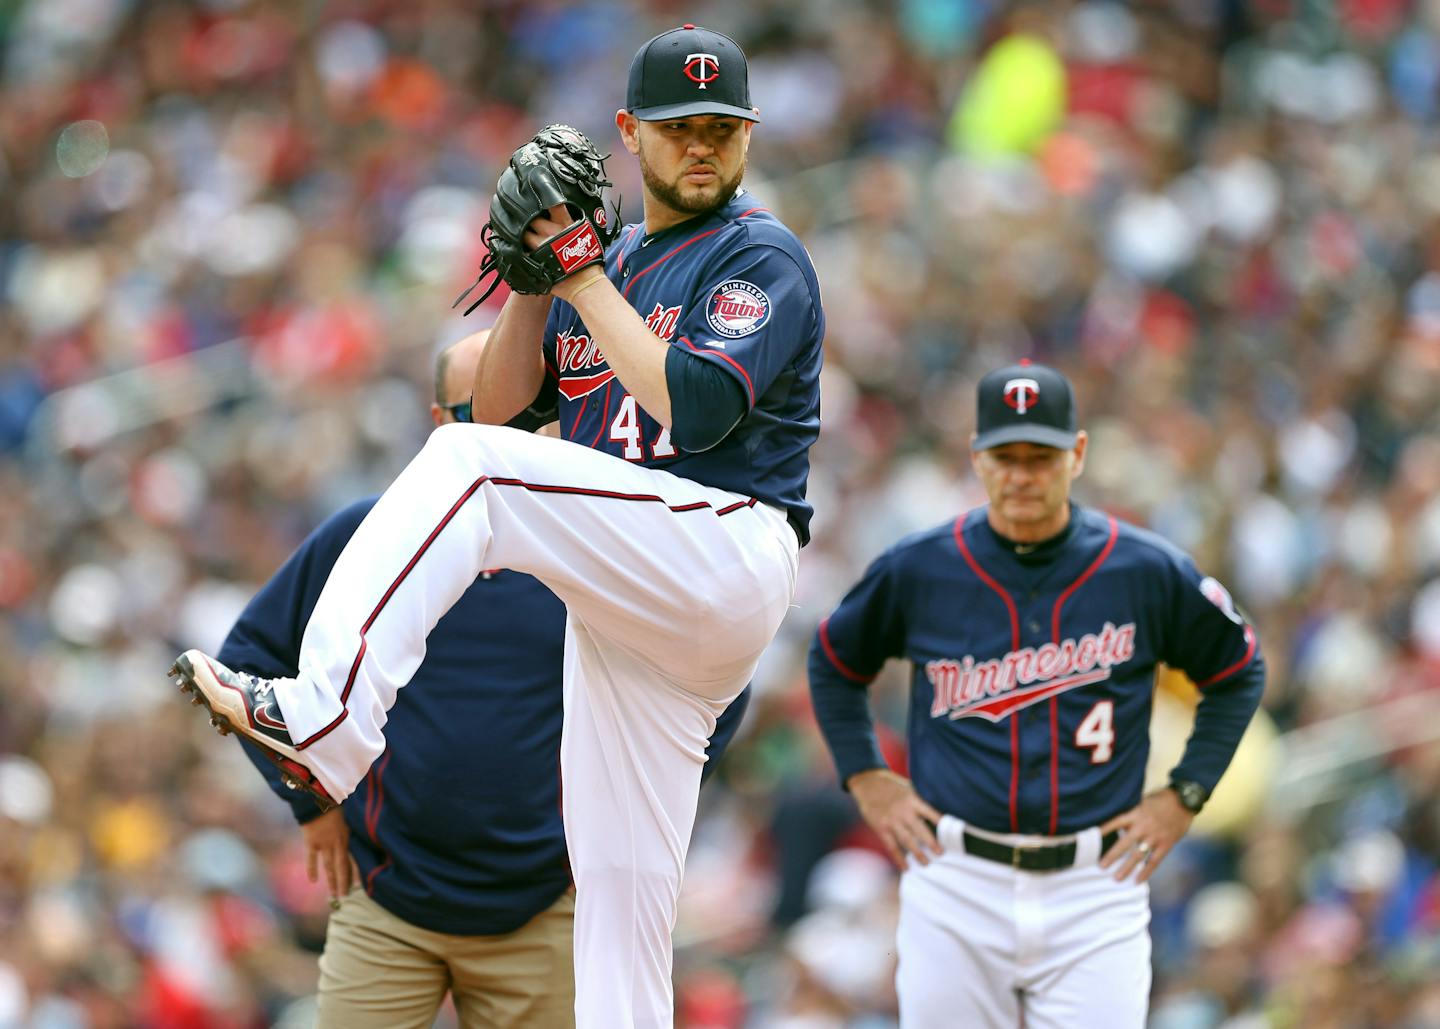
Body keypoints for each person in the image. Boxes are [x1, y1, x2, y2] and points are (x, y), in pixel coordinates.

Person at [170, 24, 824, 1029]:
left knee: (465, 472)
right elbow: (502, 412)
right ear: (630, 134)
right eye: (679, 126)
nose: (702, 145)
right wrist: (533, 282)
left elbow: (691, 406)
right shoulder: (604, 274)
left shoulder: (758, 254)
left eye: (722, 129)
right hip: (630, 608)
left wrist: (580, 270)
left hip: (722, 542)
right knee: (619, 920)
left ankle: (325, 717)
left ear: (748, 138)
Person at [213, 329, 750, 1028]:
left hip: (543, 907)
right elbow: (248, 658)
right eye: (478, 413)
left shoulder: (597, 543)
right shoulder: (366, 533)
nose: (500, 433)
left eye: (524, 411)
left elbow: (714, 679)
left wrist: (629, 808)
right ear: (440, 425)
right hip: (387, 897)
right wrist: (310, 799)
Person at [807, 360, 1265, 1028]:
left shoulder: (1144, 568)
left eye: (1041, 456)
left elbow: (1238, 669)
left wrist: (1185, 793)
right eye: (1005, 455)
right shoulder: (921, 566)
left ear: (1076, 454)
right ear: (977, 457)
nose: (1022, 474)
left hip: (1095, 885)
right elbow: (833, 658)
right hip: (955, 875)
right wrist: (865, 774)